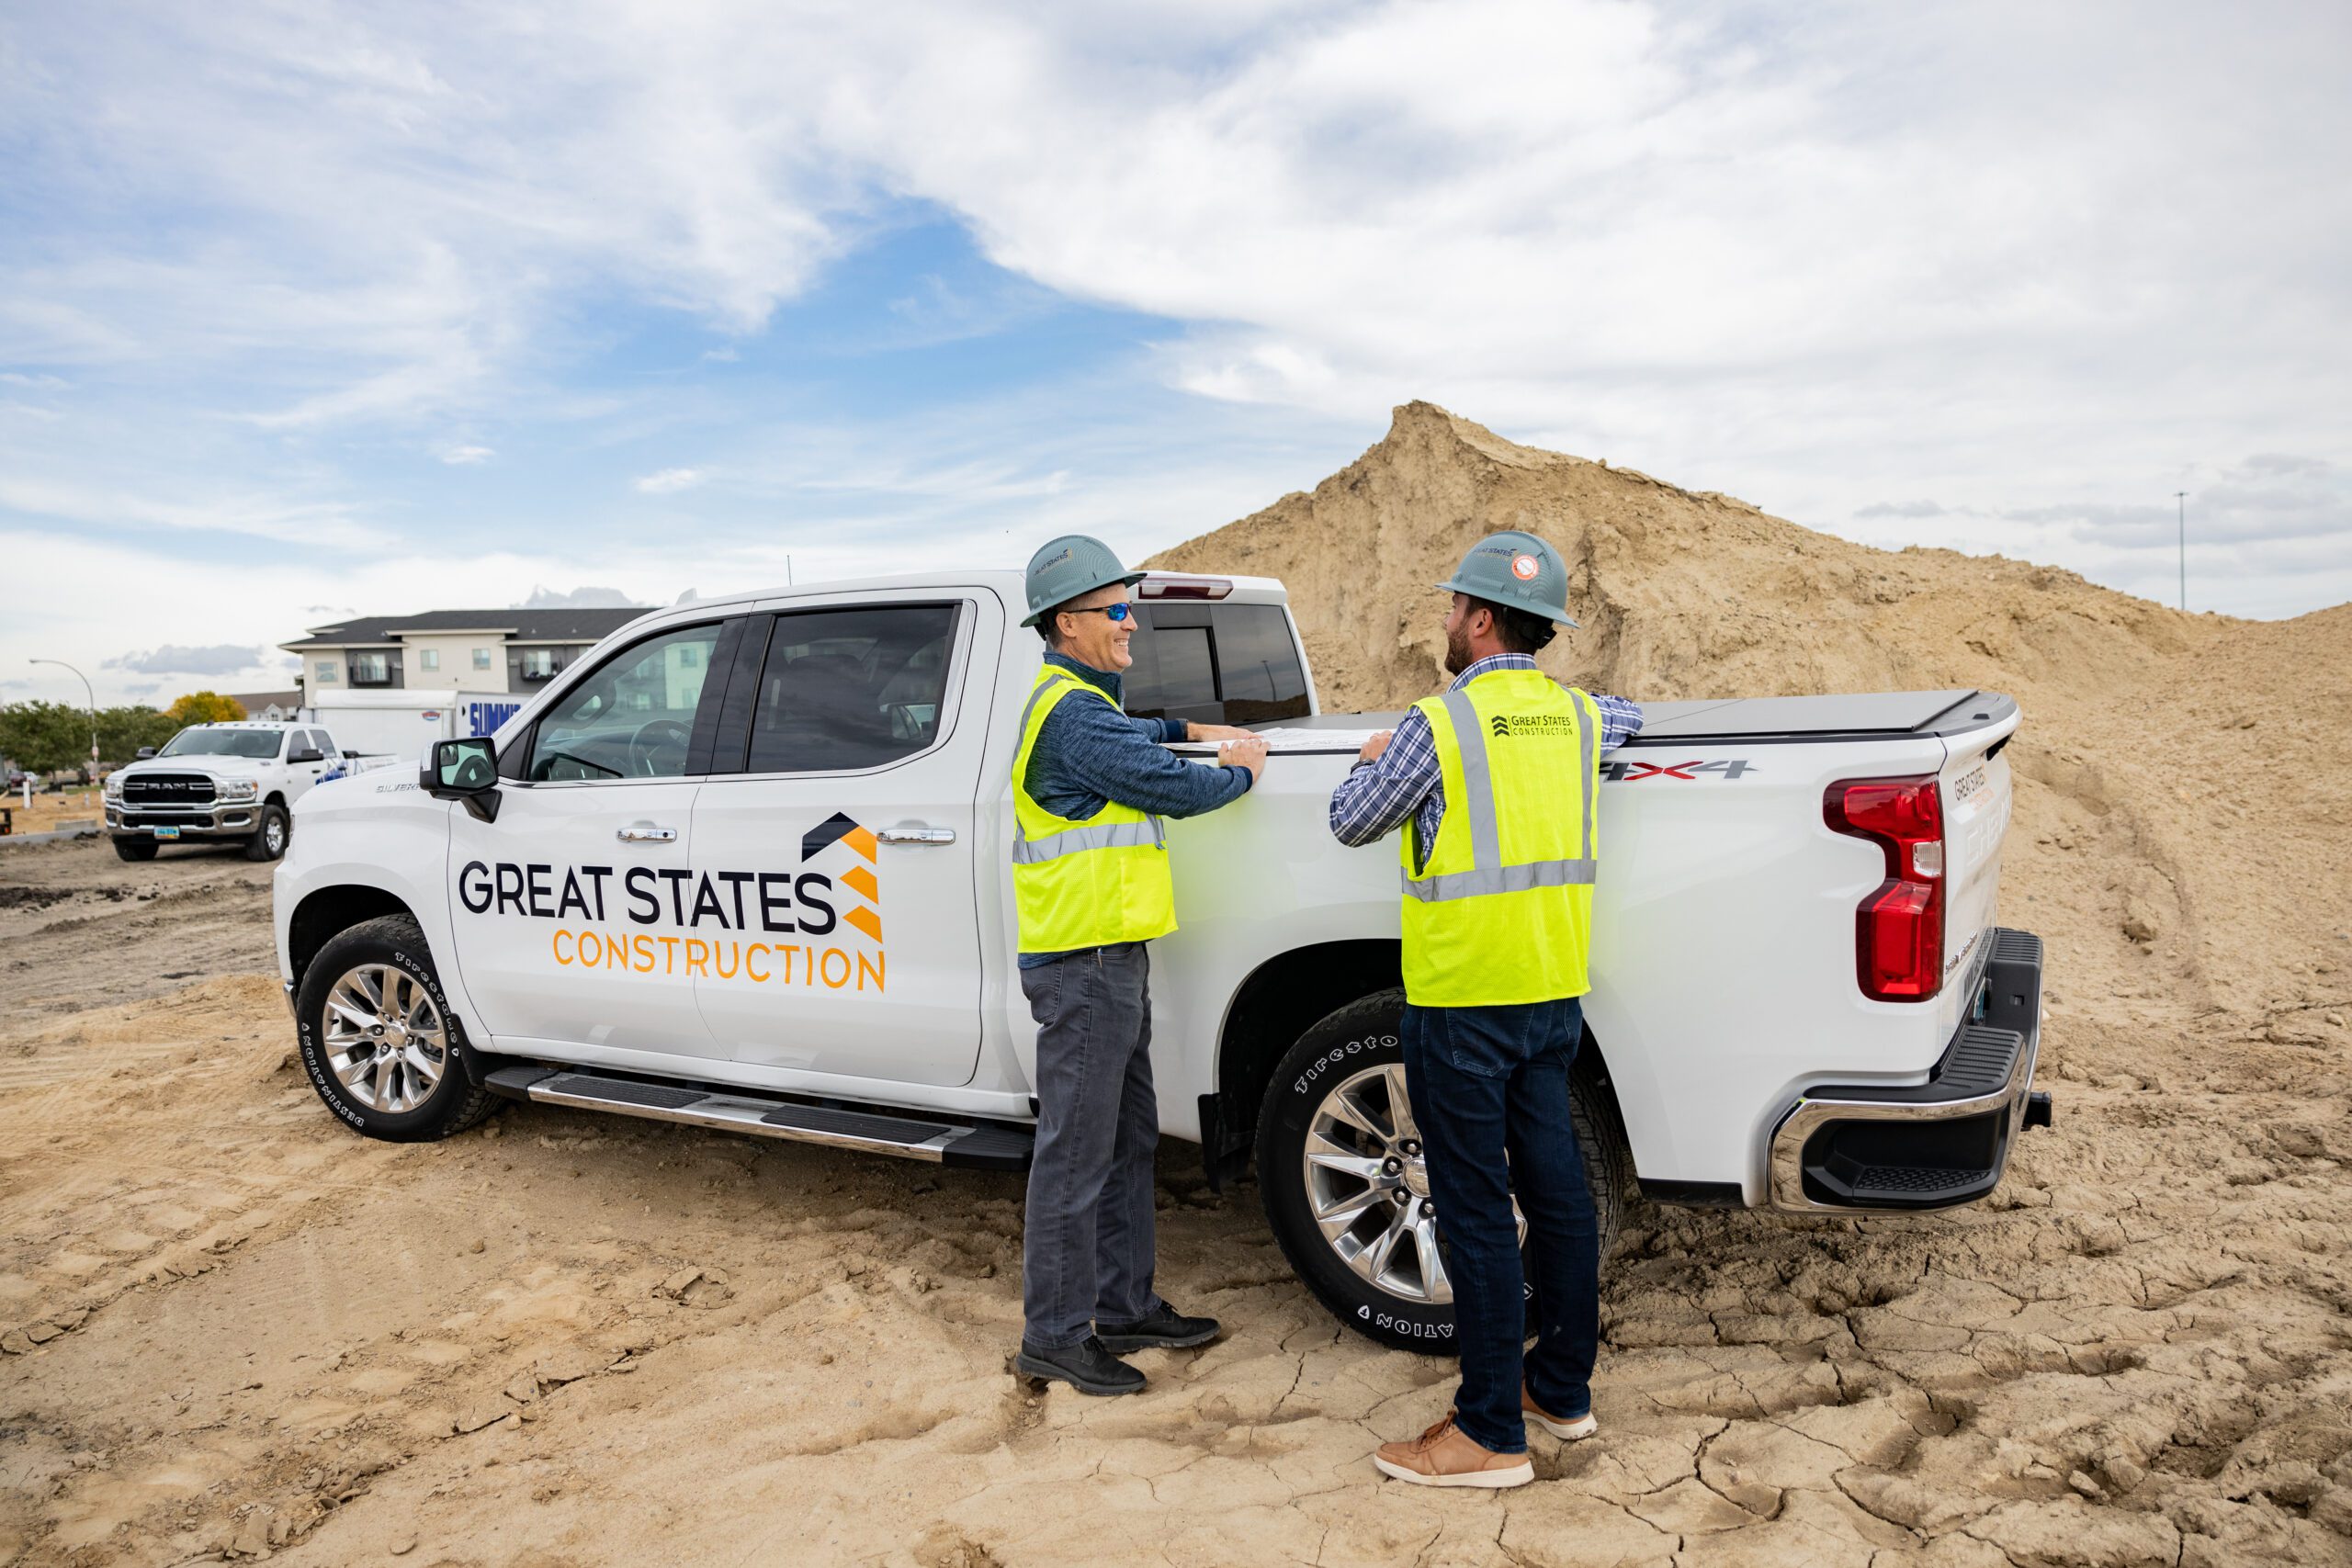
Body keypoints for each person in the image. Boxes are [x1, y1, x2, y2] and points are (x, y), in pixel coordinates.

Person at [1326, 529, 1645, 1488]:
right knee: (1555, 1199)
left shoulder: (1438, 724)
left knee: (1469, 1212)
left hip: (1462, 1002)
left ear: (1476, 617)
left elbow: (1350, 819)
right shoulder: (1582, 718)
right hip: (1550, 996)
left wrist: (1375, 754)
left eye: (1450, 611)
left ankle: (1487, 1434)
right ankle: (1561, 1392)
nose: (1445, 625)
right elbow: (1629, 718)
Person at [1011, 534, 1270, 1397]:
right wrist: (1236, 767)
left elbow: (1135, 733)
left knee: (1125, 1141)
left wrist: (1191, 725)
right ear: (1066, 624)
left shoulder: (1082, 703)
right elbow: (1172, 787)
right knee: (1076, 1154)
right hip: (1082, 966)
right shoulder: (1072, 713)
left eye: (1133, 607)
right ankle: (1052, 1335)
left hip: (1111, 958)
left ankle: (1123, 1304)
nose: (1131, 623)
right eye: (1115, 610)